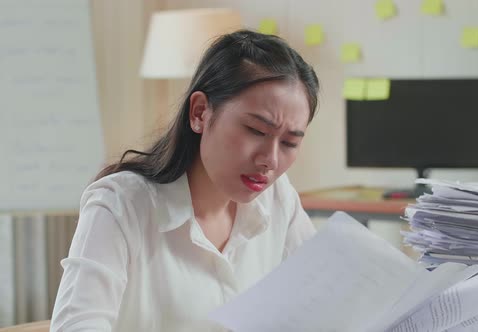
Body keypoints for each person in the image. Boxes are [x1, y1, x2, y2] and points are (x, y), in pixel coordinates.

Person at [50, 29, 320, 332]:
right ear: (200, 112)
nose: (270, 160)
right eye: (256, 131)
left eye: (289, 143)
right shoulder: (121, 204)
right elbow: (76, 326)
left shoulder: (278, 198)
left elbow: (323, 300)